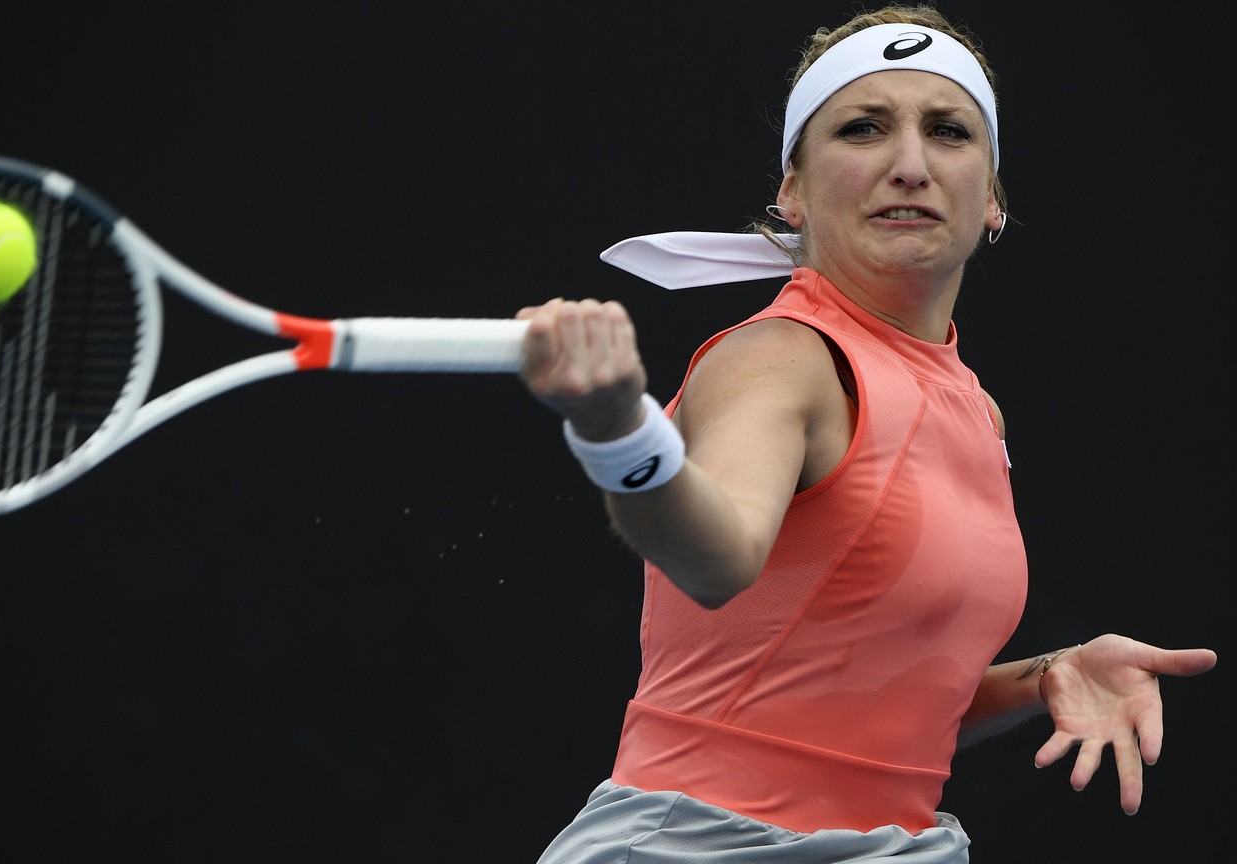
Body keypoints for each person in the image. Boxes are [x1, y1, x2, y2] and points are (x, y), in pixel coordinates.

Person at [515, 4, 1218, 862]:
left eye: (949, 132)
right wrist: (615, 430)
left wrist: (1047, 675)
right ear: (793, 190)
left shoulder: (974, 406)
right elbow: (714, 560)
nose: (911, 165)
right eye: (863, 128)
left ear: (991, 198)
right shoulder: (781, 357)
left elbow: (862, 711)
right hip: (694, 846)